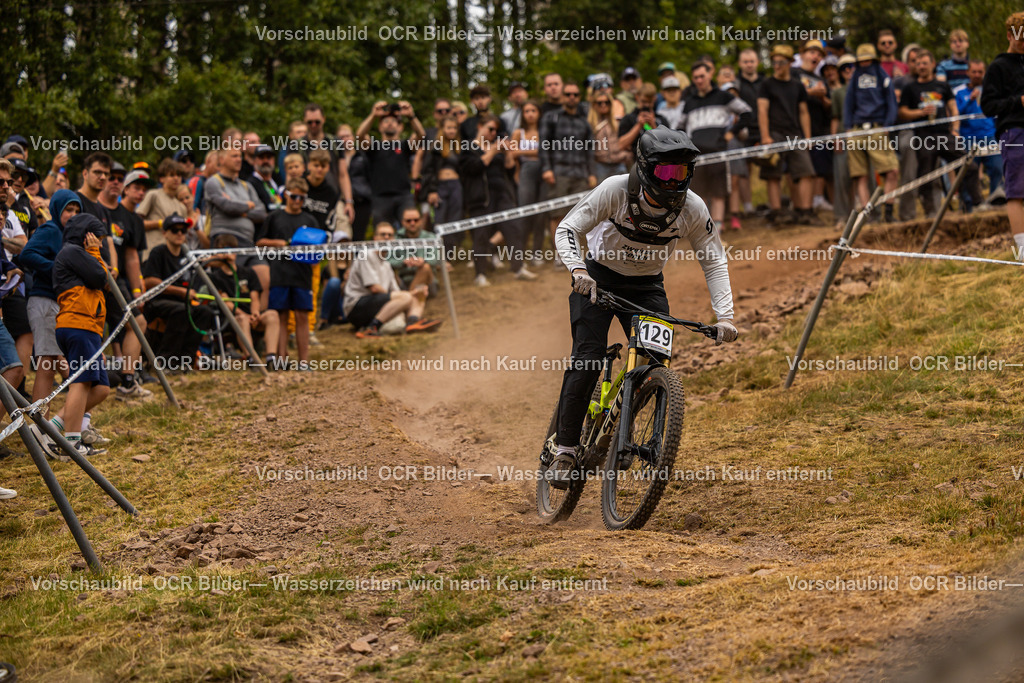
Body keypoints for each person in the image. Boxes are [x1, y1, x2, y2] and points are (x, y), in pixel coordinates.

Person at [546, 127, 737, 483]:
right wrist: (576, 269)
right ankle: (566, 451)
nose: (673, 181)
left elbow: (713, 258)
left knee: (655, 362)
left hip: (647, 286)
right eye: (666, 172)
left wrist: (724, 316)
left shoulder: (693, 207)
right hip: (597, 278)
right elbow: (567, 228)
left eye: (681, 173)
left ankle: (621, 432)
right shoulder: (615, 189)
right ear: (646, 169)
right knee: (588, 356)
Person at [51, 213, 112, 458]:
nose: (99, 244)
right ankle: (71, 445)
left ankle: (53, 426)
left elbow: (105, 282)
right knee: (82, 381)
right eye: (97, 238)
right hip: (78, 325)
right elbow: (100, 277)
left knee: (101, 388)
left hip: (87, 328)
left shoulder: (78, 255)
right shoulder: (72, 251)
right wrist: (95, 253)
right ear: (87, 235)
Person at [899, 50, 982, 216]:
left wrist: (956, 129)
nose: (921, 66)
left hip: (945, 135)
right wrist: (919, 113)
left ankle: (977, 204)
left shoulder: (942, 85)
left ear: (932, 65)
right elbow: (902, 112)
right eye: (918, 63)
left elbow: (953, 108)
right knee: (926, 175)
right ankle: (930, 212)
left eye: (924, 63)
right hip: (923, 137)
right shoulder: (910, 88)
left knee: (968, 166)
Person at [21, 190, 78, 415]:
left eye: (76, 210)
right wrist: (56, 268)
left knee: (53, 364)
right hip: (43, 301)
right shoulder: (50, 229)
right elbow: (27, 254)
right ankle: (41, 428)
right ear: (56, 210)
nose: (72, 215)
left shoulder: (72, 237)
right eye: (68, 210)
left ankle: (58, 423)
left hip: (61, 304)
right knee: (46, 365)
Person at [461, 113, 535, 284]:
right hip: (481, 198)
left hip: (502, 194)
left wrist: (508, 153)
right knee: (481, 234)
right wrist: (493, 150)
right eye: (490, 129)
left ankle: (518, 267)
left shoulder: (498, 149)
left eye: (497, 130)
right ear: (479, 127)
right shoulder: (469, 148)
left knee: (513, 229)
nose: (494, 133)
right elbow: (472, 168)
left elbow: (509, 170)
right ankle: (480, 274)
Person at [98, 163, 152, 400]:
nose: (115, 182)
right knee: (93, 330)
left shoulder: (130, 218)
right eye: (112, 177)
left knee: (138, 323)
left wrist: (138, 289)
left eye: (120, 178)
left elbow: (131, 257)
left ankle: (128, 380)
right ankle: (86, 380)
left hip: (116, 282)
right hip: (87, 279)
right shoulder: (92, 207)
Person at [678, 61, 752, 230]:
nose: (699, 80)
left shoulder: (723, 96)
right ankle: (704, 230)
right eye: (695, 77)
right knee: (699, 194)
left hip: (718, 151)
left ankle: (717, 230)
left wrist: (731, 133)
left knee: (719, 192)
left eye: (702, 76)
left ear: (710, 75)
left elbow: (746, 112)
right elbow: (680, 127)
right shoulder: (689, 102)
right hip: (696, 155)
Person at [255, 178, 317, 366]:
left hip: (302, 275)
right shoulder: (274, 217)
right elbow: (259, 242)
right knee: (281, 315)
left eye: (301, 197)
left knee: (301, 316)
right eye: (293, 196)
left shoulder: (310, 220)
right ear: (285, 195)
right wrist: (279, 244)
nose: (297, 200)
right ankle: (281, 359)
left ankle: (304, 362)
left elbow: (318, 247)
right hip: (280, 273)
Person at [344, 223, 441, 338]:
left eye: (389, 235)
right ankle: (371, 328)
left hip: (376, 306)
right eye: (382, 234)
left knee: (418, 295)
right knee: (407, 296)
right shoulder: (366, 255)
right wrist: (407, 295)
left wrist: (414, 294)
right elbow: (374, 288)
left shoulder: (386, 264)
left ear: (394, 239)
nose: (386, 237)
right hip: (356, 307)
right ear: (375, 238)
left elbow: (396, 292)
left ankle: (413, 322)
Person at [758, 44, 819, 225]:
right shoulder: (767, 84)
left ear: (790, 63)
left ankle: (805, 211)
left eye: (781, 62)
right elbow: (762, 110)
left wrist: (807, 137)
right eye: (774, 62)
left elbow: (803, 112)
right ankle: (778, 213)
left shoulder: (797, 85)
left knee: (806, 171)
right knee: (773, 172)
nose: (777, 66)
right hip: (775, 133)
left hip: (794, 133)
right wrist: (765, 136)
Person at [142, 214, 214, 365]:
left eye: (183, 230)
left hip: (184, 303)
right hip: (158, 302)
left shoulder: (188, 255)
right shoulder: (158, 252)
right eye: (175, 230)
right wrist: (181, 292)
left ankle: (186, 359)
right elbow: (149, 282)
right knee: (181, 311)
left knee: (205, 312)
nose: (180, 233)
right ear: (164, 233)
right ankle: (166, 361)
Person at [981, 11, 1024, 259]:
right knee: (1017, 191)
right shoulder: (998, 67)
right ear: (1010, 35)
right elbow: (988, 106)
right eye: (1020, 37)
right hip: (1014, 132)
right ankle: (1021, 251)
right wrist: (1018, 101)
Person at [540, 82, 597, 268]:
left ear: (579, 97)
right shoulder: (551, 117)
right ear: (563, 96)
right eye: (568, 94)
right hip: (559, 172)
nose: (571, 97)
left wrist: (591, 173)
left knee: (580, 217)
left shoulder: (584, 122)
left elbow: (590, 150)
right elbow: (544, 144)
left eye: (575, 94)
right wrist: (547, 169)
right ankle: (559, 256)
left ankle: (575, 256)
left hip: (580, 173)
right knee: (557, 215)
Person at [843, 43, 900, 223]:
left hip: (877, 128)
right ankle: (866, 218)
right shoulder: (855, 78)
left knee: (891, 171)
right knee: (860, 175)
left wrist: (887, 125)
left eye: (868, 60)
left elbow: (891, 100)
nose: (865, 63)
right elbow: (848, 103)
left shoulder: (882, 74)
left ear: (874, 59)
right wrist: (848, 129)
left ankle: (888, 212)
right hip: (856, 130)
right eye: (862, 61)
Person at [356, 100, 425, 227]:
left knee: (411, 229)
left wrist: (411, 116)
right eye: (386, 121)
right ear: (380, 126)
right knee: (383, 234)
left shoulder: (405, 146)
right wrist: (373, 115)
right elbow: (360, 135)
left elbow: (421, 135)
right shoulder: (374, 146)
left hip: (404, 196)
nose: (390, 124)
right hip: (380, 198)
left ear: (400, 127)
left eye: (394, 121)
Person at [795, 40, 834, 212]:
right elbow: (790, 94)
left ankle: (818, 199)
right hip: (796, 128)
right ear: (803, 54)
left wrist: (823, 98)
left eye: (819, 54)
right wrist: (811, 92)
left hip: (818, 127)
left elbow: (829, 107)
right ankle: (799, 204)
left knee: (819, 167)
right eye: (812, 52)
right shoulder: (794, 73)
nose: (815, 56)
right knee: (799, 169)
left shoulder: (821, 80)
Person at [956, 60, 1003, 201]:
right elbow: (956, 114)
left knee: (997, 168)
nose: (977, 75)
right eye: (974, 72)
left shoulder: (991, 90)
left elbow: (997, 111)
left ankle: (996, 199)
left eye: (980, 72)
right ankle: (969, 204)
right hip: (968, 138)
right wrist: (970, 100)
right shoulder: (960, 92)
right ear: (968, 72)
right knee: (968, 172)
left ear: (984, 72)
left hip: (990, 136)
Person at [511, 102, 547, 263]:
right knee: (524, 213)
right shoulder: (518, 133)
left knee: (541, 214)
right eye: (527, 111)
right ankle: (519, 254)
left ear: (539, 113)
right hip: (526, 171)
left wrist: (523, 151)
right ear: (523, 114)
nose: (530, 114)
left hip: (544, 172)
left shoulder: (544, 131)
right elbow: (513, 154)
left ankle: (536, 253)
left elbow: (547, 152)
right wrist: (518, 170)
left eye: (533, 110)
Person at [588, 92, 630, 183]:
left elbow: (627, 142)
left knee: (623, 194)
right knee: (603, 195)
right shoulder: (590, 124)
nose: (603, 105)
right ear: (594, 105)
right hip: (600, 165)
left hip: (619, 163)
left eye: (606, 102)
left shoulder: (619, 122)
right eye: (599, 103)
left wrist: (626, 155)